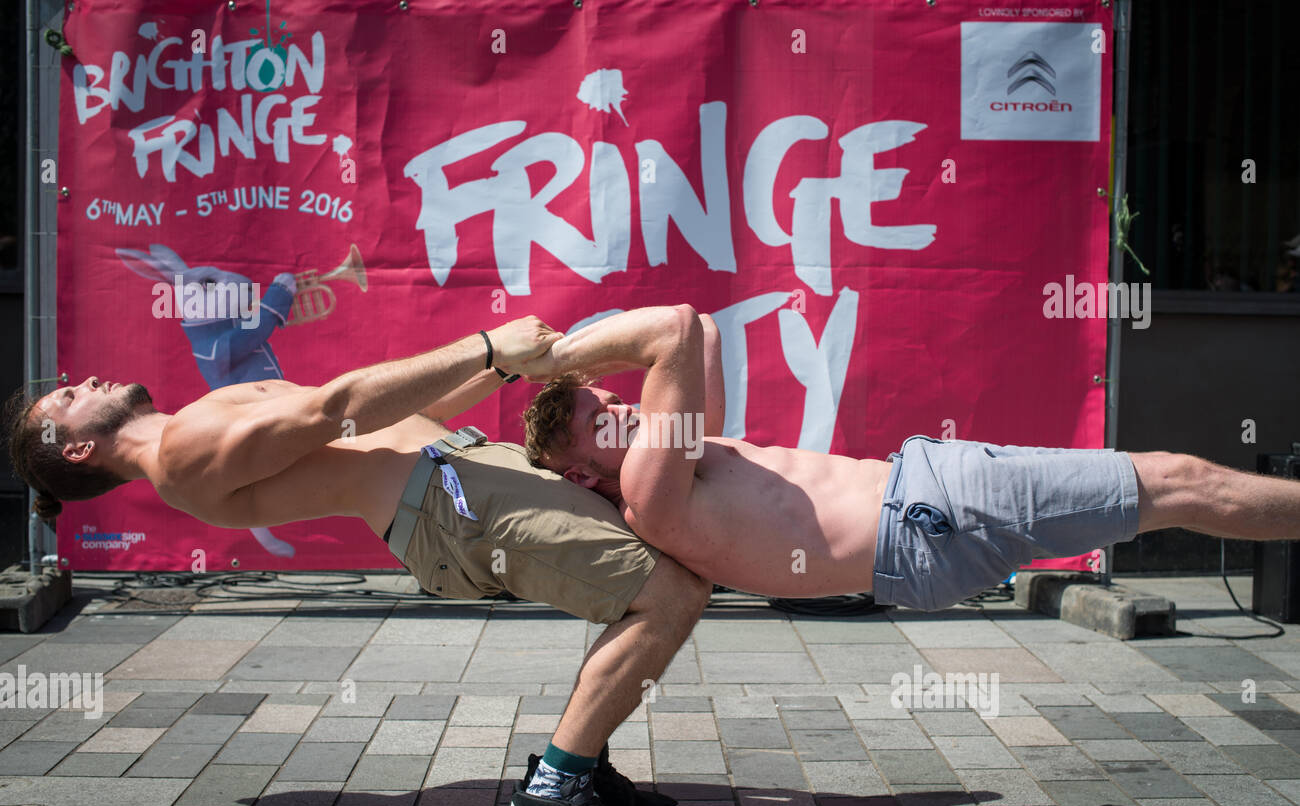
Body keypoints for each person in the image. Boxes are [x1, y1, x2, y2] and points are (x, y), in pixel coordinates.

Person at [3, 316, 711, 806]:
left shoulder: (193, 424)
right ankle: (553, 799)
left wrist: (499, 365)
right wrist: (489, 341)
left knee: (676, 554)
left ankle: (582, 764)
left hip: (459, 473)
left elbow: (375, 419)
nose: (85, 380)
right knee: (670, 592)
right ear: (76, 450)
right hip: (453, 509)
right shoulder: (182, 454)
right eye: (68, 398)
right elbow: (335, 406)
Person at [521, 304, 1300, 612]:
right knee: (1177, 479)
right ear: (583, 472)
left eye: (610, 399)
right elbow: (677, 330)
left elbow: (708, 338)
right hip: (929, 514)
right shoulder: (653, 497)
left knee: (1173, 490)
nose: (620, 407)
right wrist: (547, 360)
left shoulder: (680, 458)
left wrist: (575, 379)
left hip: (927, 509)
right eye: (599, 418)